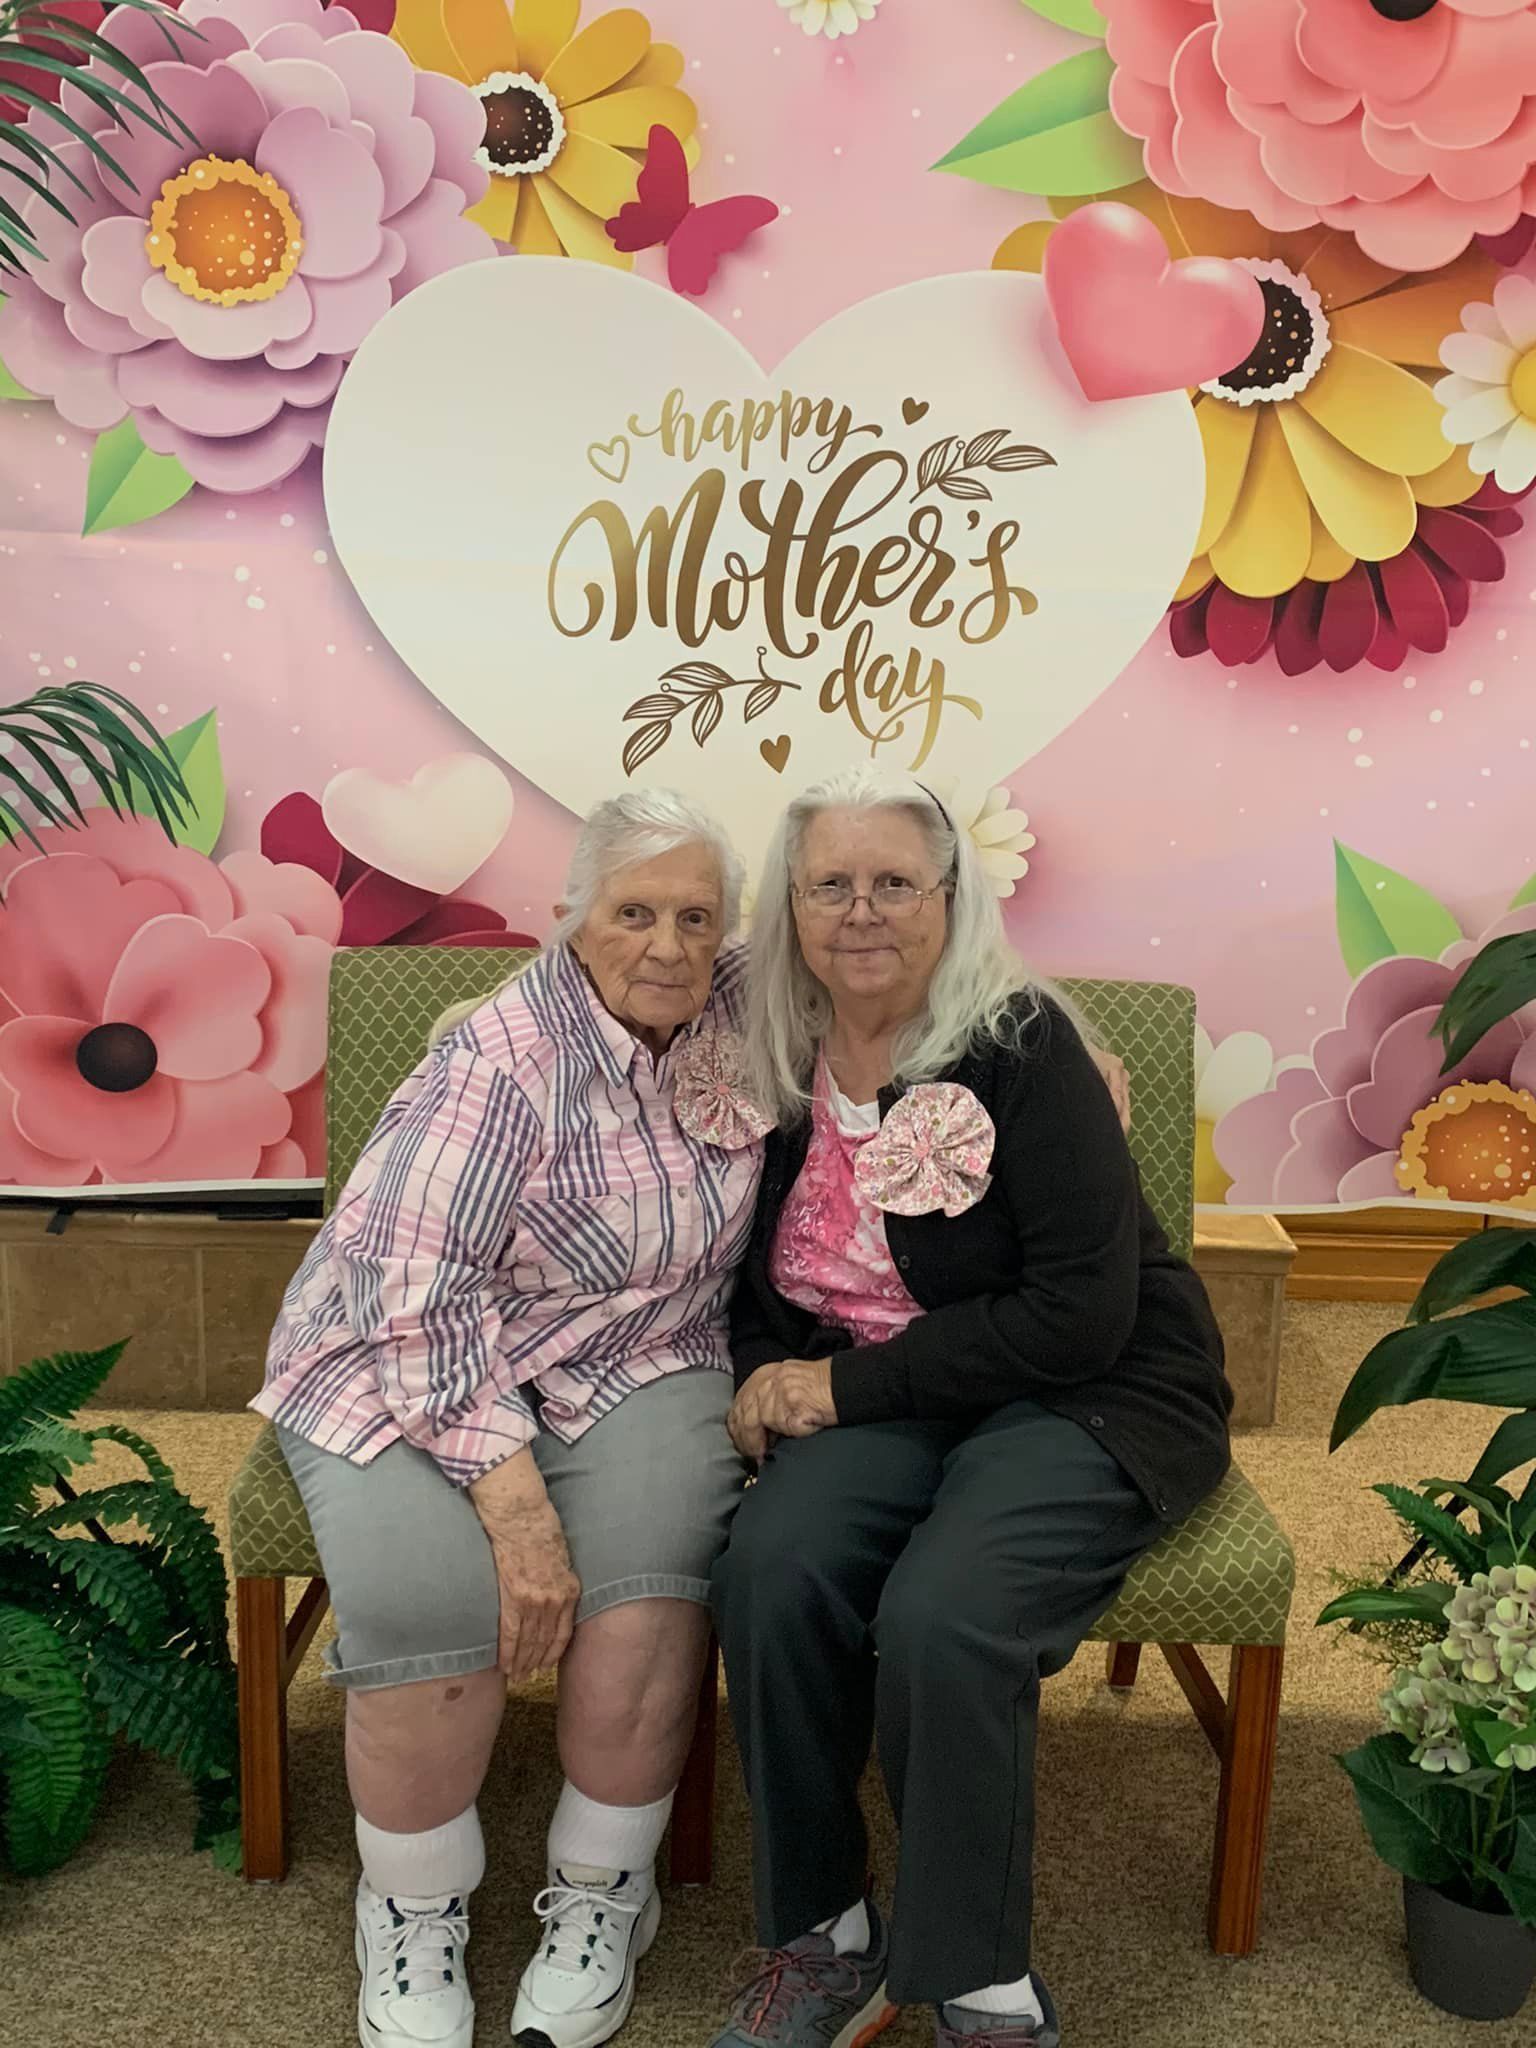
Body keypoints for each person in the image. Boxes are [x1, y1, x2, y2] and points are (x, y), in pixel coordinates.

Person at [705, 767, 1232, 2048]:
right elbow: (747, 1261)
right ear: (793, 904)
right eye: (832, 882)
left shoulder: (1025, 1046)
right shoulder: (777, 1045)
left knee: (948, 1611)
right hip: (894, 1393)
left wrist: (834, 1384)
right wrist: (770, 1374)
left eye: (896, 881)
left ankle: (980, 1975)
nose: (863, 910)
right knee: (770, 1568)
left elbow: (1078, 1313)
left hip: (1088, 1388)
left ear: (952, 898)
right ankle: (823, 1926)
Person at [256, 788, 766, 2048]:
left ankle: (603, 1890)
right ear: (573, 918)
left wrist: (1065, 1044)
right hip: (406, 1348)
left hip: (638, 1351)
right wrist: (516, 1505)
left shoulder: (749, 1001)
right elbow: (412, 1292)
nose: (666, 943)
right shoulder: (495, 1060)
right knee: (436, 1597)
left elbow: (915, 955)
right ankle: (414, 1910)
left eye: (695, 916)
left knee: (649, 1584)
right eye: (634, 911)